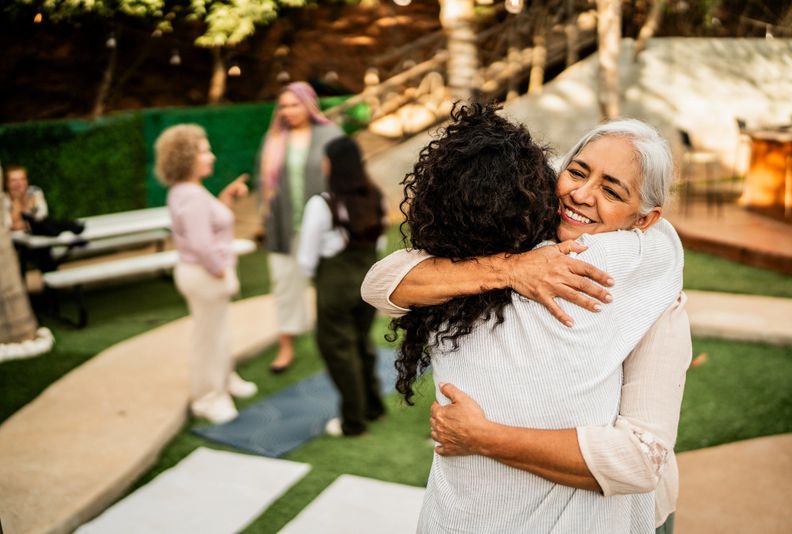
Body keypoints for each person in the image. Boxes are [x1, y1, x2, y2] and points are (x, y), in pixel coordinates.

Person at [363, 105, 687, 533]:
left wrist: (482, 436)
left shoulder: (650, 280)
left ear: (645, 220)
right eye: (577, 172)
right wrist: (513, 268)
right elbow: (380, 282)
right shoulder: (510, 234)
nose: (582, 196)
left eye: (612, 192)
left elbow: (641, 459)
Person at [155, 124, 258, 424]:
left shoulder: (188, 191)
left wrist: (224, 197)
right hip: (204, 274)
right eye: (203, 150)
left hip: (200, 273)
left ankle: (224, 380)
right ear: (186, 158)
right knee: (208, 338)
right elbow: (201, 243)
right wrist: (221, 271)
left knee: (218, 332)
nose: (211, 156)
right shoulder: (192, 196)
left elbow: (208, 224)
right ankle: (208, 398)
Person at [296, 136, 386, 436]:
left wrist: (318, 278)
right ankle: (374, 406)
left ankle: (353, 420)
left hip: (335, 283)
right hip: (367, 281)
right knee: (362, 342)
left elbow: (306, 258)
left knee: (338, 349)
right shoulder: (375, 195)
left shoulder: (321, 204)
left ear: (333, 165)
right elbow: (381, 242)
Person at [257, 81, 344, 373]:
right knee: (285, 286)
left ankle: (333, 342)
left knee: (329, 287)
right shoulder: (273, 139)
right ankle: (286, 347)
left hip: (324, 229)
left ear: (309, 104)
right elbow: (264, 185)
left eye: (294, 104)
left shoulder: (330, 135)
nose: (288, 111)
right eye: (283, 106)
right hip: (283, 228)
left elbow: (347, 176)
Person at [2, 165, 48, 232]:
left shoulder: (34, 192)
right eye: (13, 180)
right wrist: (16, 200)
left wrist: (26, 224)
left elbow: (42, 215)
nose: (19, 183)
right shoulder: (3, 199)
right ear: (7, 184)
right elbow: (8, 225)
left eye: (22, 179)